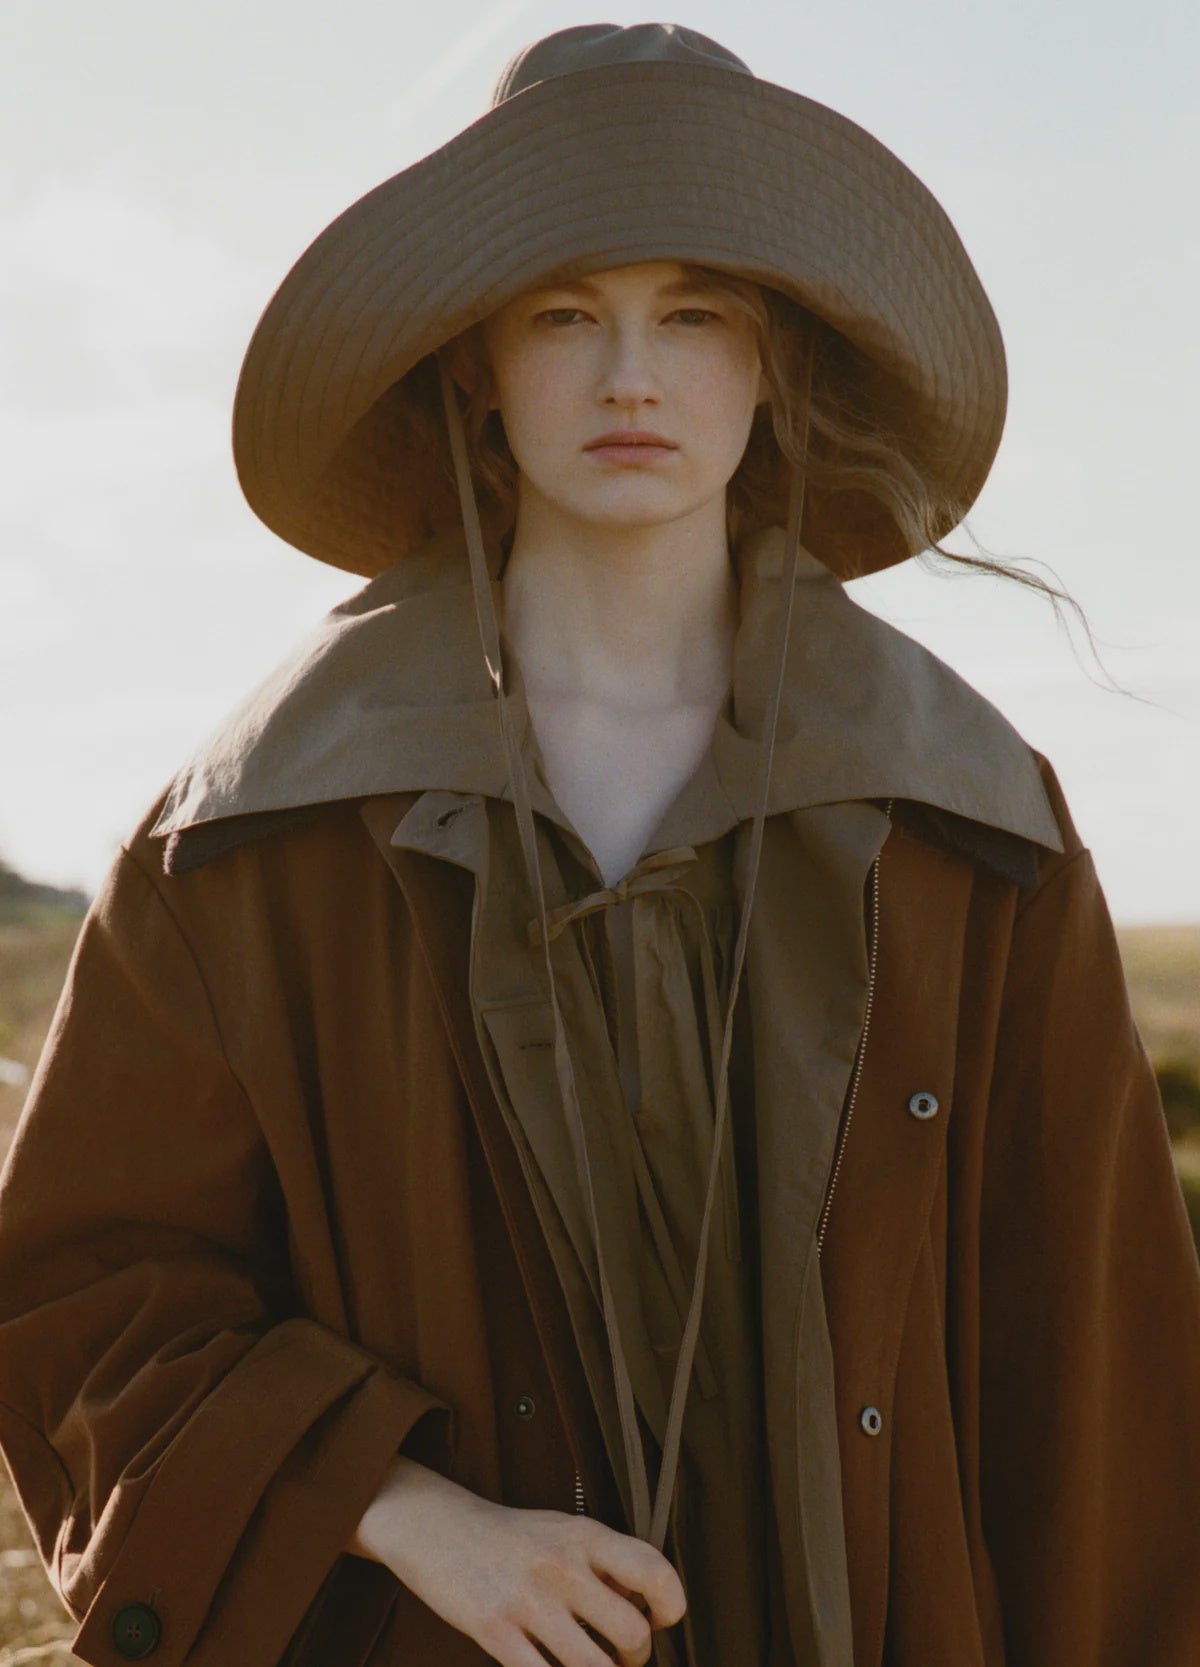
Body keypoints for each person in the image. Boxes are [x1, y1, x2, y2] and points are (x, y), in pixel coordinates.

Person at [1, 21, 1198, 1667]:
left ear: (770, 363)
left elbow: (1103, 1397)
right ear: (475, 362)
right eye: (567, 314)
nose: (631, 375)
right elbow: (82, 1298)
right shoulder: (258, 830)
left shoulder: (972, 825)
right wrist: (410, 1512)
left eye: (692, 315)